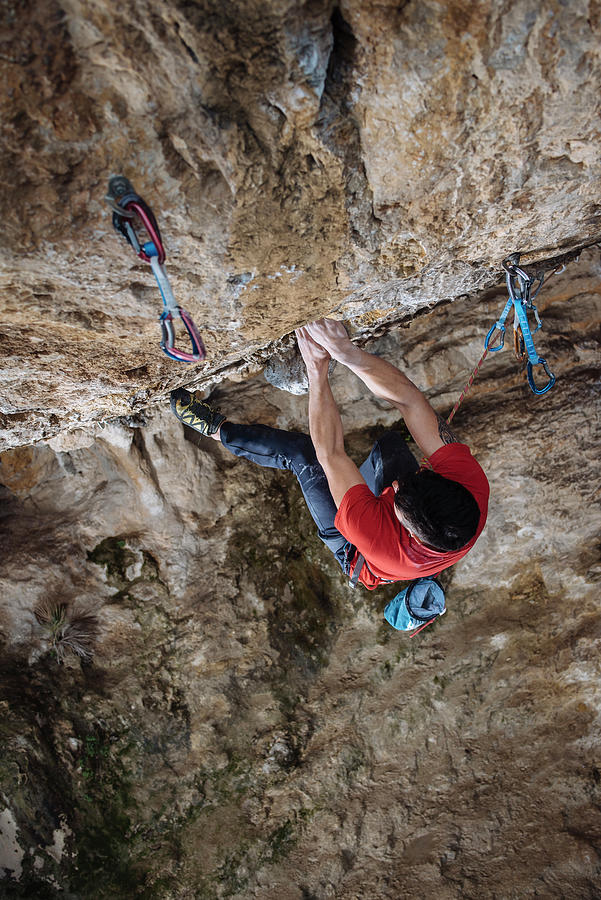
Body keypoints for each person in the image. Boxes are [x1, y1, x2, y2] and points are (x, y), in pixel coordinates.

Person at [170, 318, 489, 589]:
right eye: (416, 479)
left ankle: (216, 428)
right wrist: (347, 353)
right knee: (391, 444)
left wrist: (317, 370)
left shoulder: (377, 538)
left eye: (396, 498)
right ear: (447, 481)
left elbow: (331, 454)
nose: (393, 487)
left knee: (304, 457)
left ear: (407, 528)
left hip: (356, 553)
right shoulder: (470, 487)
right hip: (407, 522)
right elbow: (410, 402)